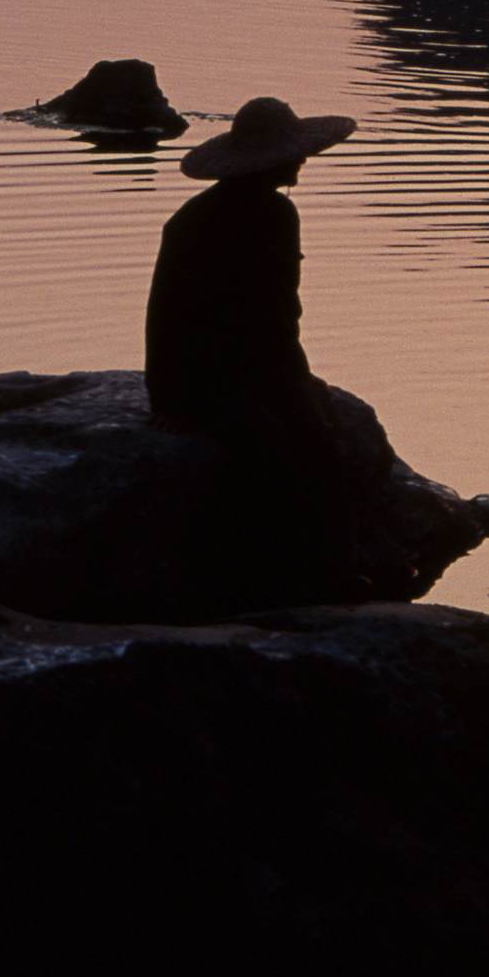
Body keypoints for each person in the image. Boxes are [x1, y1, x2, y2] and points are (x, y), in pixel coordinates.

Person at [143, 94, 370, 599]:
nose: (302, 162)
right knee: (288, 450)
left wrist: (295, 385)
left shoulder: (241, 216)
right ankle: (312, 575)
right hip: (216, 377)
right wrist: (170, 400)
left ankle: (333, 569)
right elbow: (182, 316)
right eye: (294, 154)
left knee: (315, 439)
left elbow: (271, 319)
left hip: (247, 369)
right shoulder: (225, 221)